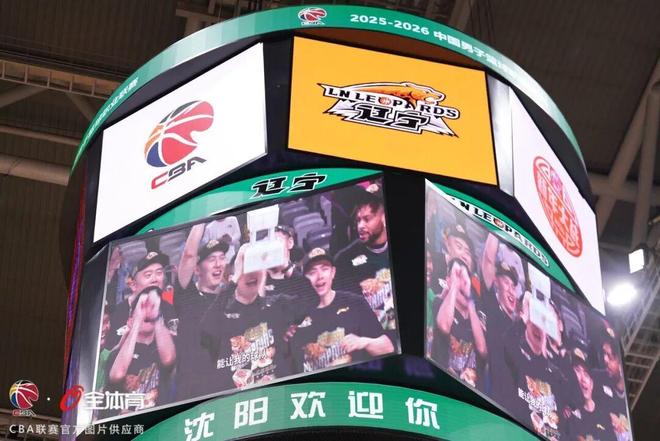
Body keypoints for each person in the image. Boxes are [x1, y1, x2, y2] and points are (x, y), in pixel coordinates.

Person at [200, 244, 294, 392]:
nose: (252, 275)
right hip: (239, 398)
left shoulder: (275, 305)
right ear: (233, 278)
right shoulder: (222, 314)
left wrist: (287, 268)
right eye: (245, 270)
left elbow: (312, 300)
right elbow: (205, 330)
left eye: (256, 268)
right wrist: (234, 281)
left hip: (278, 393)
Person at [290, 248, 394, 373]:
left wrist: (364, 342)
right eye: (312, 272)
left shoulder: (355, 303)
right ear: (305, 279)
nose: (319, 276)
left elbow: (388, 347)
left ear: (333, 272)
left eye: (324, 269)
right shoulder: (296, 316)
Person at [173, 223, 230, 400]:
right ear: (197, 269)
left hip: (227, 389)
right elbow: (189, 255)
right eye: (211, 259)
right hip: (193, 393)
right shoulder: (187, 296)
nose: (218, 264)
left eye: (222, 258)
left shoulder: (230, 299)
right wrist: (202, 218)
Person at [500, 291, 565, 441]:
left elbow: (572, 401)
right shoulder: (518, 357)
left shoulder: (555, 373)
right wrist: (523, 318)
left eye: (542, 324)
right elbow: (506, 343)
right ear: (527, 322)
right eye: (534, 321)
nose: (538, 329)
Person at [106, 286, 177, 414]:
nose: (147, 312)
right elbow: (117, 375)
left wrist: (156, 315)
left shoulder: (164, 347)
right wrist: (137, 321)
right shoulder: (118, 353)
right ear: (129, 319)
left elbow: (168, 359)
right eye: (143, 307)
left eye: (153, 307)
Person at [335, 188, 395, 331]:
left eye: (367, 219)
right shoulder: (344, 260)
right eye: (358, 220)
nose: (360, 226)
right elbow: (346, 311)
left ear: (383, 218)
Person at [432, 257, 488, 391]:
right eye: (457, 275)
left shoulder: (476, 318)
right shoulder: (439, 303)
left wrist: (469, 299)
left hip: (471, 394)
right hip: (442, 386)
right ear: (448, 280)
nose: (462, 282)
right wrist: (454, 285)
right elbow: (444, 326)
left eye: (465, 278)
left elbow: (483, 350)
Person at [104, 250, 177, 351]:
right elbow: (106, 355)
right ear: (132, 284)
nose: (155, 279)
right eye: (148, 275)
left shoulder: (170, 309)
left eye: (159, 273)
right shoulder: (115, 315)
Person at [480, 232, 522, 400]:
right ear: (496, 282)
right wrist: (496, 227)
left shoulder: (519, 328)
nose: (511, 290)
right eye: (506, 282)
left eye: (513, 286)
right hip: (492, 397)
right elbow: (488, 261)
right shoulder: (493, 310)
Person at [263, 225, 317, 322]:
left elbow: (314, 302)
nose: (272, 248)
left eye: (276, 241)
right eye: (267, 244)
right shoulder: (258, 279)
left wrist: (287, 269)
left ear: (290, 242)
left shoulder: (306, 272)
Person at [567, 346, 614, 441]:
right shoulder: (572, 414)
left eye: (585, 373)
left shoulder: (604, 412)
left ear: (592, 383)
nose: (583, 379)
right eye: (577, 370)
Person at [593, 336, 632, 441]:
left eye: (610, 357)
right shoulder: (597, 377)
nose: (605, 359)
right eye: (604, 354)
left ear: (620, 364)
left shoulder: (628, 402)